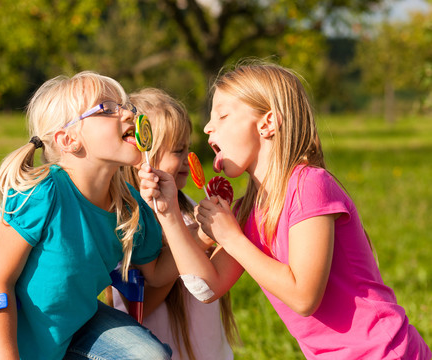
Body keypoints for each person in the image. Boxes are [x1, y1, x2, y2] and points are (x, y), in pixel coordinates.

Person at [138, 61, 432, 359]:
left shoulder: (309, 185)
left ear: (267, 124)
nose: (207, 127)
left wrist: (233, 239)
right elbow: (206, 288)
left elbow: (304, 297)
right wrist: (169, 213)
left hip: (383, 351)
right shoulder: (248, 210)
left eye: (223, 115)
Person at [0, 72, 175, 360]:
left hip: (81, 326)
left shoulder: (129, 205)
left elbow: (157, 275)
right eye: (107, 109)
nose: (128, 114)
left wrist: (206, 235)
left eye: (126, 107)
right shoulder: (43, 194)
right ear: (69, 139)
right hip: (25, 344)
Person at [107, 88, 240, 360]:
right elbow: (141, 305)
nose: (189, 158)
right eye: (179, 150)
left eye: (188, 147)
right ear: (142, 155)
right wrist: (196, 240)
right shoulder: (130, 219)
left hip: (205, 347)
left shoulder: (189, 205)